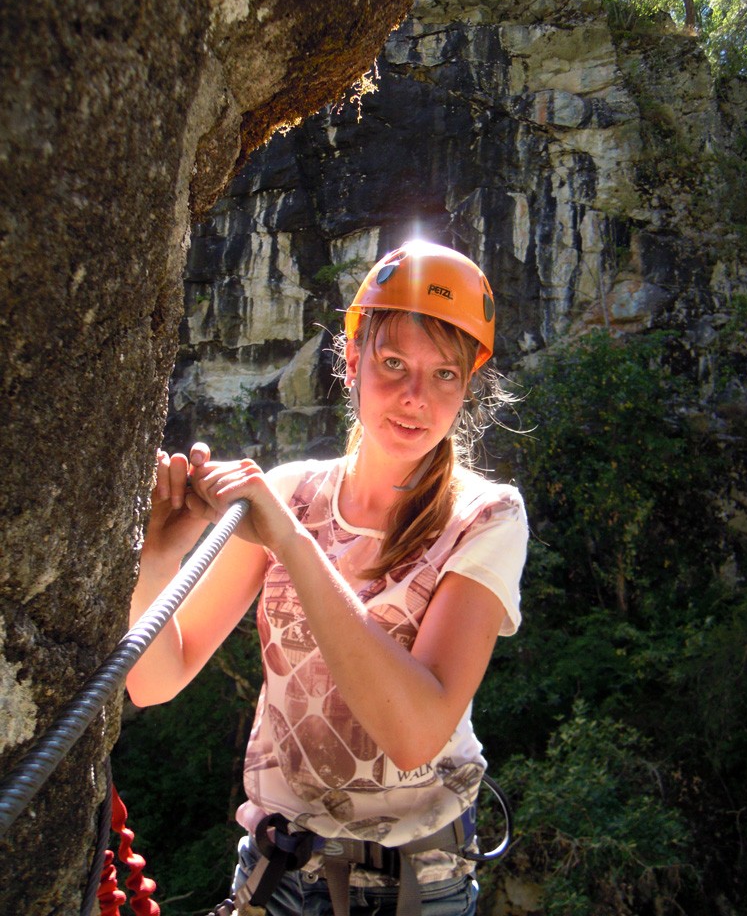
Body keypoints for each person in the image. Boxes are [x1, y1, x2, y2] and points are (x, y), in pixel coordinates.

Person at [126, 241, 528, 916]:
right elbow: (154, 680)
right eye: (393, 362)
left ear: (467, 386)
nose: (413, 398)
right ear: (352, 359)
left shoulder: (486, 517)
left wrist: (290, 541)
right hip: (279, 872)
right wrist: (159, 560)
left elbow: (416, 734)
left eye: (444, 376)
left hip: (418, 885)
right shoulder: (293, 494)